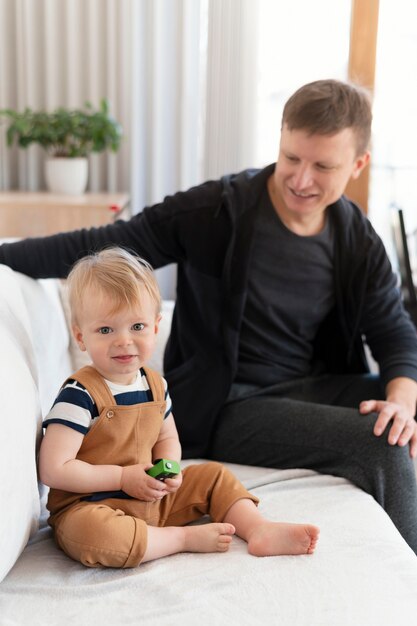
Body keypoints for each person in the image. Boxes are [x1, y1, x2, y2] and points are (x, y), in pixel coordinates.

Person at [1, 79, 417, 553]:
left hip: (311, 387)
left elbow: (394, 332)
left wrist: (401, 401)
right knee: (382, 442)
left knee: (401, 416)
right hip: (231, 403)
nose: (301, 179)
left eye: (323, 166)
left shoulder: (356, 237)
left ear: (358, 164)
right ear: (280, 139)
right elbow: (101, 244)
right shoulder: (217, 211)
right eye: (291, 158)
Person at [39, 247, 319, 568]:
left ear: (156, 327)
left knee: (212, 475)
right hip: (90, 505)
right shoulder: (79, 394)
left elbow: (167, 438)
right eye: (106, 330)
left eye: (137, 327)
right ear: (80, 337)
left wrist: (169, 467)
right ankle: (180, 539)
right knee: (94, 533)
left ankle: (258, 529)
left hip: (151, 497)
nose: (124, 341)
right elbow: (54, 469)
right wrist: (121, 477)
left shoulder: (156, 385)